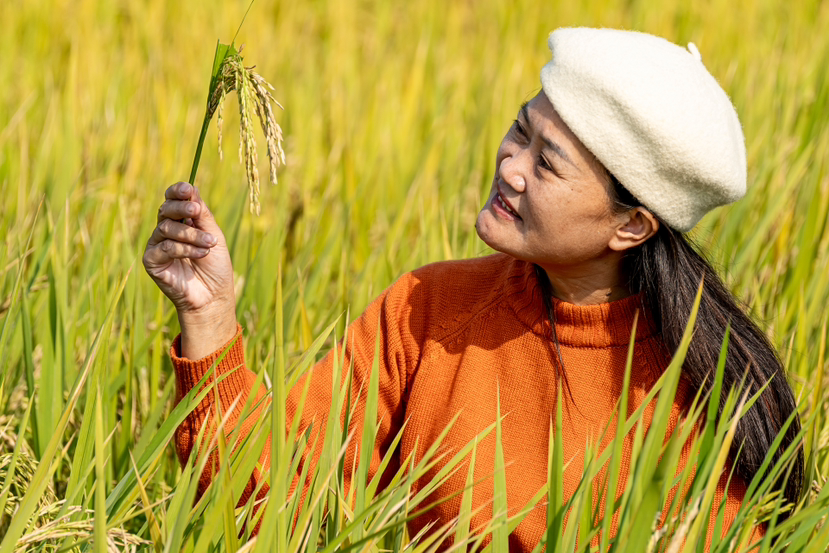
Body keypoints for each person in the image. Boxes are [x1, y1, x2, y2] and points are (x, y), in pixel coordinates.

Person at [143, 27, 803, 550]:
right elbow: (260, 497)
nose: (510, 166)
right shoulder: (427, 310)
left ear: (631, 225)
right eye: (521, 129)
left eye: (546, 164)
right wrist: (209, 318)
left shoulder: (703, 401)